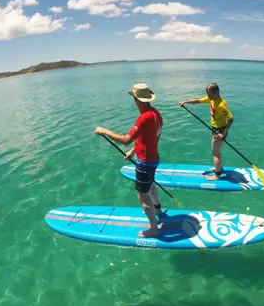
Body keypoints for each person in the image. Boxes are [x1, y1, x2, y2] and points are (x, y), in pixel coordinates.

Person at [95, 83, 164, 238]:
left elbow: (126, 139)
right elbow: (148, 138)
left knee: (143, 195)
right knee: (151, 185)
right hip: (152, 158)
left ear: (136, 99)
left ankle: (154, 228)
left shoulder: (144, 118)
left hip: (145, 162)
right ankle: (158, 209)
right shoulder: (156, 114)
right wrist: (133, 151)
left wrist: (104, 131)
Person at [178, 82, 233, 180]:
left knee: (216, 152)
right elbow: (197, 101)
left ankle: (217, 175)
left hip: (220, 130)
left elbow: (231, 119)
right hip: (215, 128)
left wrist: (222, 133)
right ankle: (219, 167)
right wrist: (185, 102)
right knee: (215, 151)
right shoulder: (212, 99)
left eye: (209, 94)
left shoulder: (221, 105)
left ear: (215, 93)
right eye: (207, 94)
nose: (207, 96)